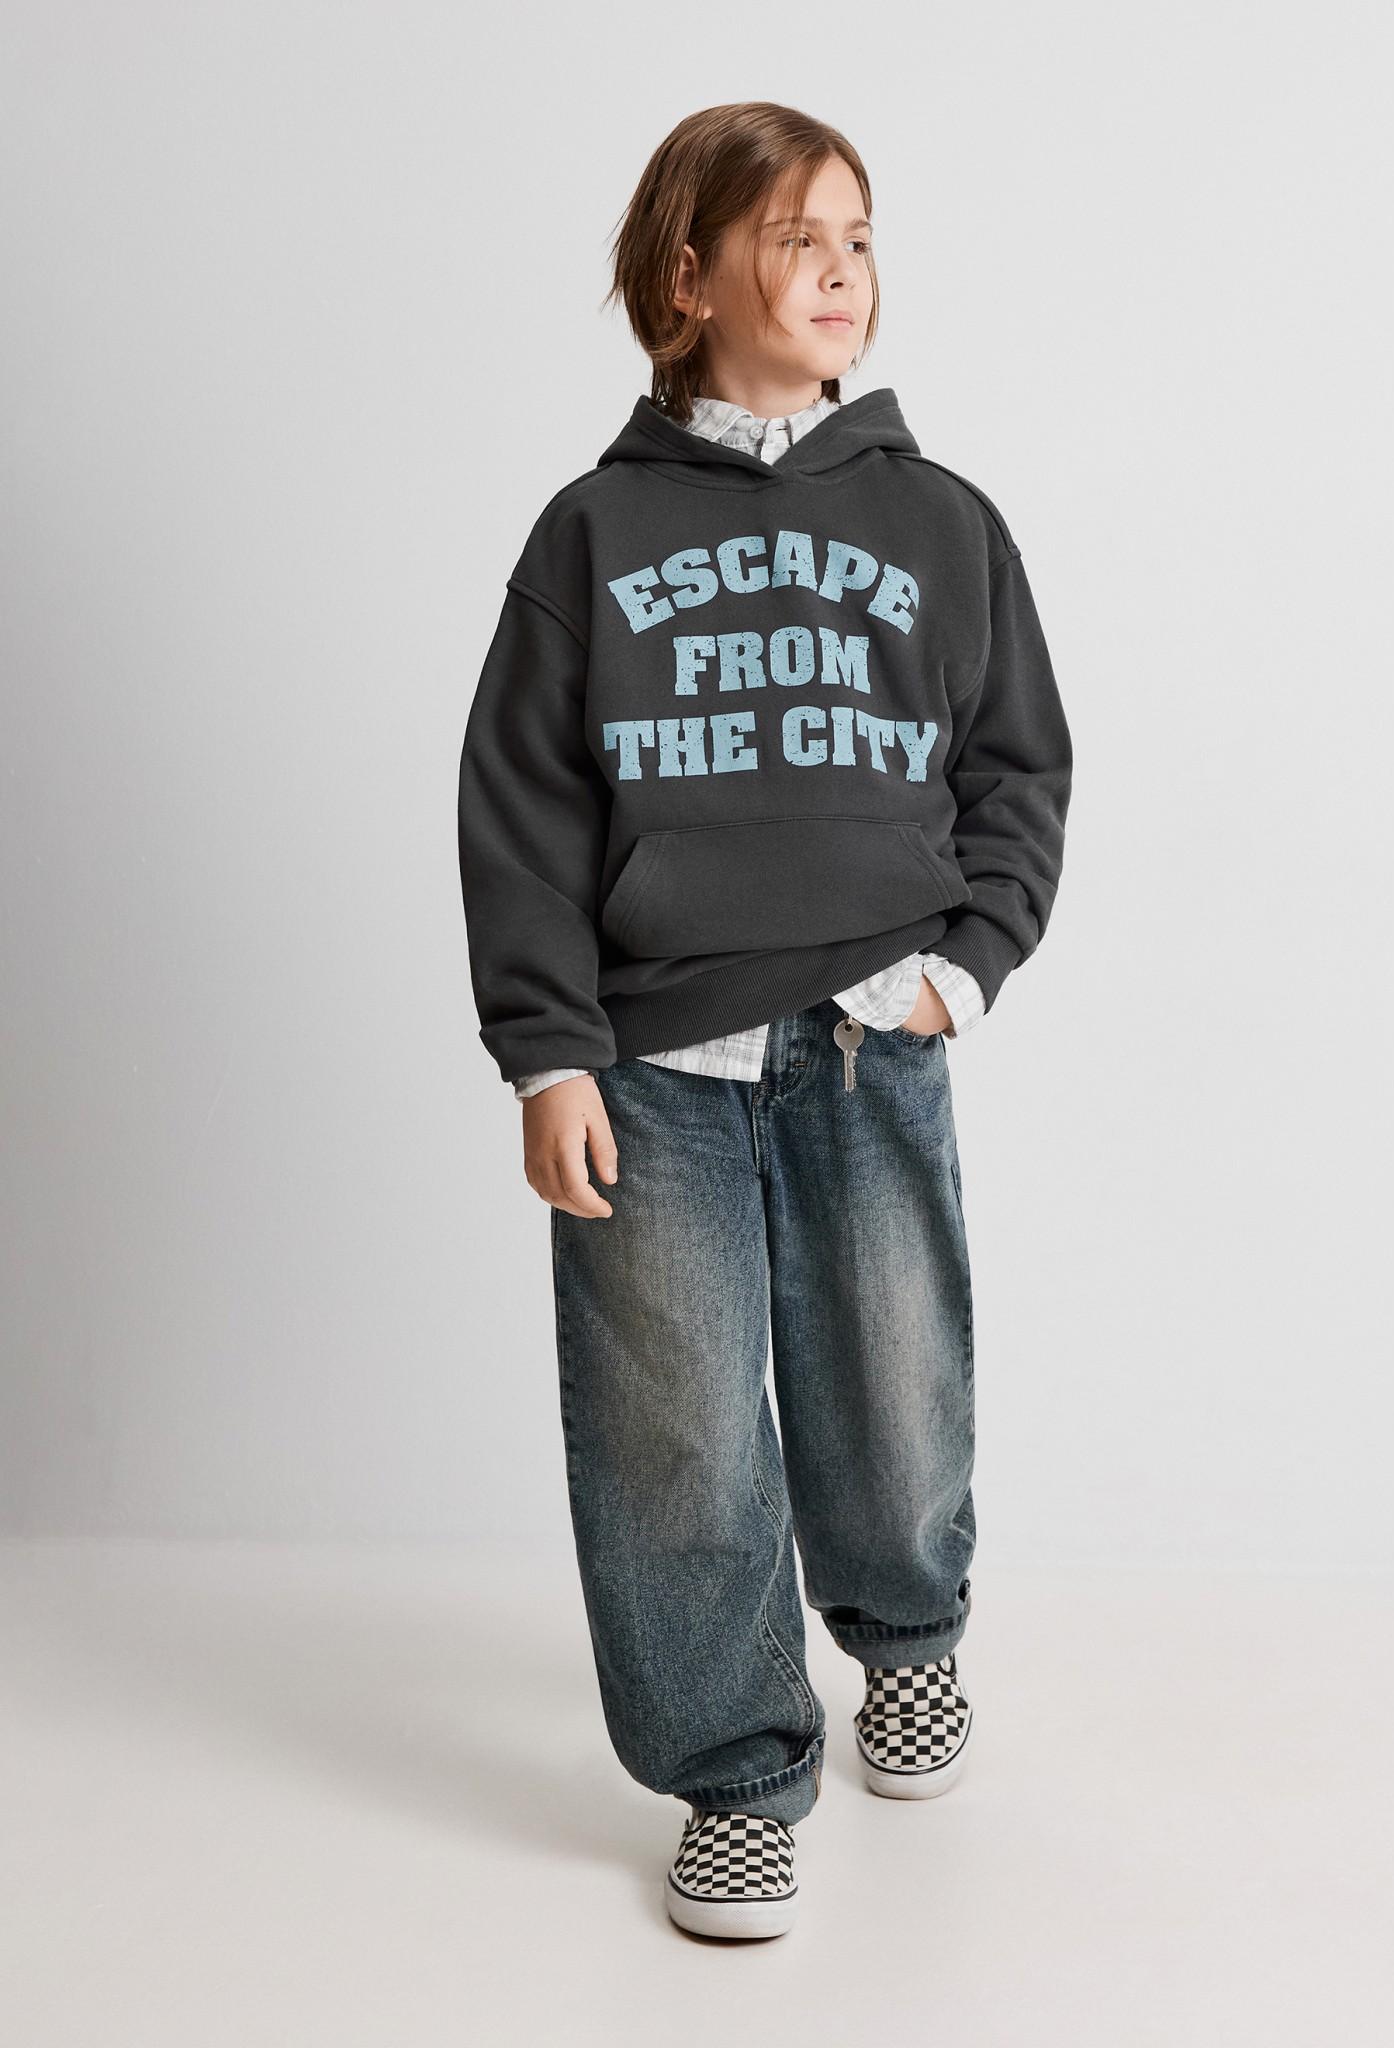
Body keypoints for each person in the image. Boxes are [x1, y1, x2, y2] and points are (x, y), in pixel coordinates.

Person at [456, 101, 1073, 1941]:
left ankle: (910, 1639)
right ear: (686, 277)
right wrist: (548, 1050)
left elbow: (1018, 769)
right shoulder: (593, 534)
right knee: (675, 1433)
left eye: (860, 239)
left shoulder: (941, 523)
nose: (841, 271)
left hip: (874, 1035)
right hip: (655, 1067)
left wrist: (965, 964)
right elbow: (522, 816)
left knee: (893, 1378)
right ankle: (735, 1774)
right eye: (798, 237)